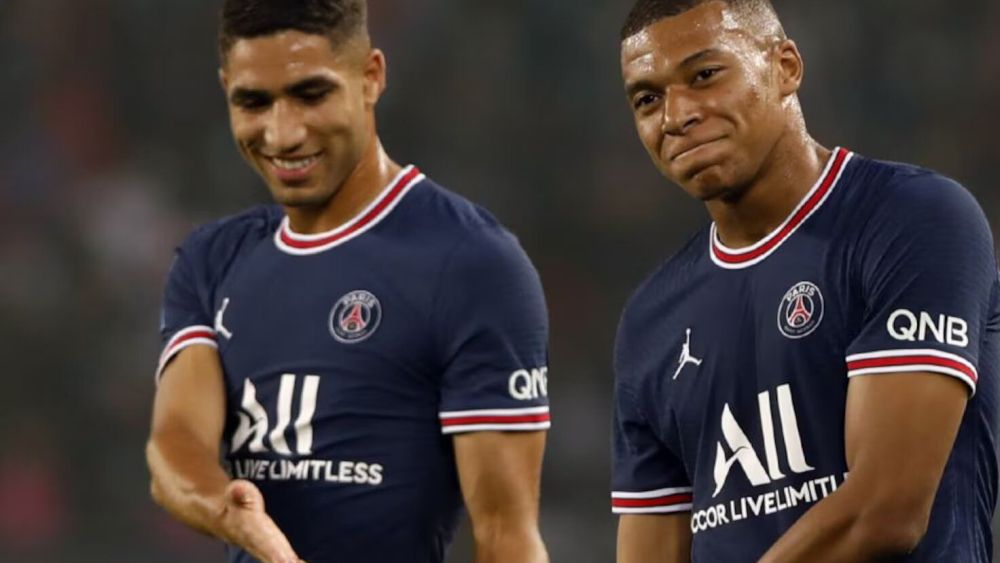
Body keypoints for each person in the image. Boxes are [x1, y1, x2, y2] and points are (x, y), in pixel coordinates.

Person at [144, 2, 551, 562]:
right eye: (254, 102)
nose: (283, 133)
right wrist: (230, 512)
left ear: (371, 77)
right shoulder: (210, 260)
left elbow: (507, 538)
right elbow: (176, 443)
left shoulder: (471, 263)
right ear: (226, 91)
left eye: (311, 95)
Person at [610, 1, 999, 561]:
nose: (676, 115)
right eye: (648, 99)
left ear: (786, 67)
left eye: (705, 75)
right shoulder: (651, 320)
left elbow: (884, 511)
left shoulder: (912, 220)